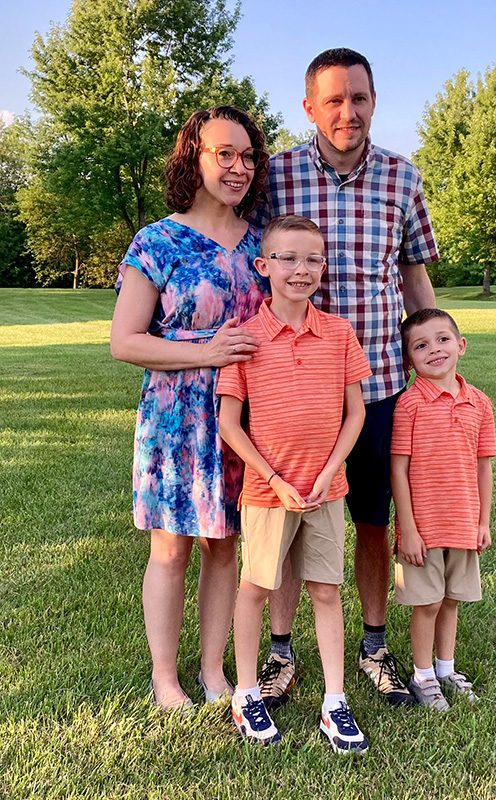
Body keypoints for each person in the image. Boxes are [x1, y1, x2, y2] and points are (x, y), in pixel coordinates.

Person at [249, 48, 438, 707]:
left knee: (371, 519)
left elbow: (415, 274)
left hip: (379, 381)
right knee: (284, 515)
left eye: (358, 98)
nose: (347, 111)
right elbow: (254, 264)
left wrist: (434, 353)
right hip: (290, 391)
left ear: (374, 101)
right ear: (309, 107)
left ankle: (375, 646)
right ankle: (279, 654)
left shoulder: (402, 177)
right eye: (333, 100)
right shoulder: (277, 177)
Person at [110, 105, 269, 710]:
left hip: (242, 418)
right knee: (172, 547)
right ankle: (165, 677)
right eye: (223, 154)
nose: (237, 167)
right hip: (176, 417)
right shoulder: (158, 239)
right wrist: (206, 349)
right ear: (193, 158)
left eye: (247, 155)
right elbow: (125, 341)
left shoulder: (262, 241)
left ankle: (213, 671)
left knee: (227, 543)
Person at [217, 215, 371, 752]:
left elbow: (355, 415)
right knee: (256, 588)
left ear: (323, 268)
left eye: (312, 259)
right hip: (268, 492)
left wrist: (329, 473)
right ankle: (245, 693)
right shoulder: (245, 338)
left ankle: (335, 703)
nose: (300, 269)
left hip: (327, 490)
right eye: (287, 258)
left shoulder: (339, 333)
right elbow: (229, 424)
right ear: (264, 266)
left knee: (326, 591)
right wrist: (276, 479)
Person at [391, 308, 496, 710]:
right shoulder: (410, 405)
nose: (434, 350)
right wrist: (409, 531)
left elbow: (482, 465)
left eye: (442, 340)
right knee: (428, 602)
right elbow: (397, 472)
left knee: (451, 600)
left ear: (461, 345)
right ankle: (422, 678)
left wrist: (483, 521)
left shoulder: (480, 403)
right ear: (409, 360)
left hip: (464, 522)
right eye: (421, 346)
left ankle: (445, 668)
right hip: (424, 527)